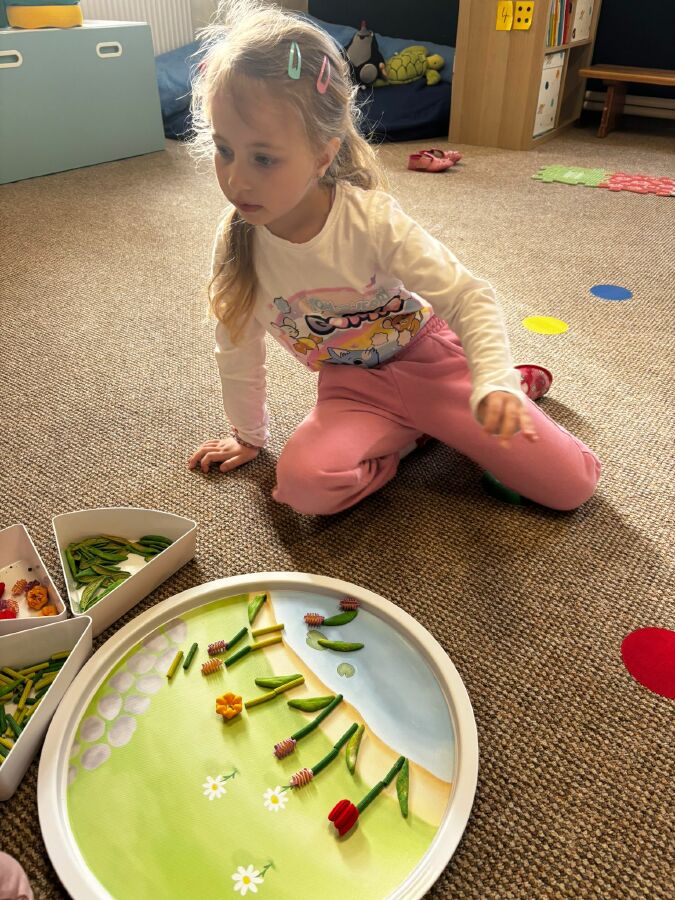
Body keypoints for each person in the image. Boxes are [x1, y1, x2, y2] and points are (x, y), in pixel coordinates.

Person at [188, 0, 601, 515]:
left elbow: (469, 296)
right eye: (225, 150)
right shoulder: (237, 241)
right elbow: (236, 344)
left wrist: (493, 380)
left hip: (433, 362)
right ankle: (412, 437)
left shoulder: (369, 221)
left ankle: (511, 382)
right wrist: (248, 436)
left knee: (570, 486)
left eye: (263, 158)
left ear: (322, 156)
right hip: (353, 388)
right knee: (303, 489)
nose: (237, 180)